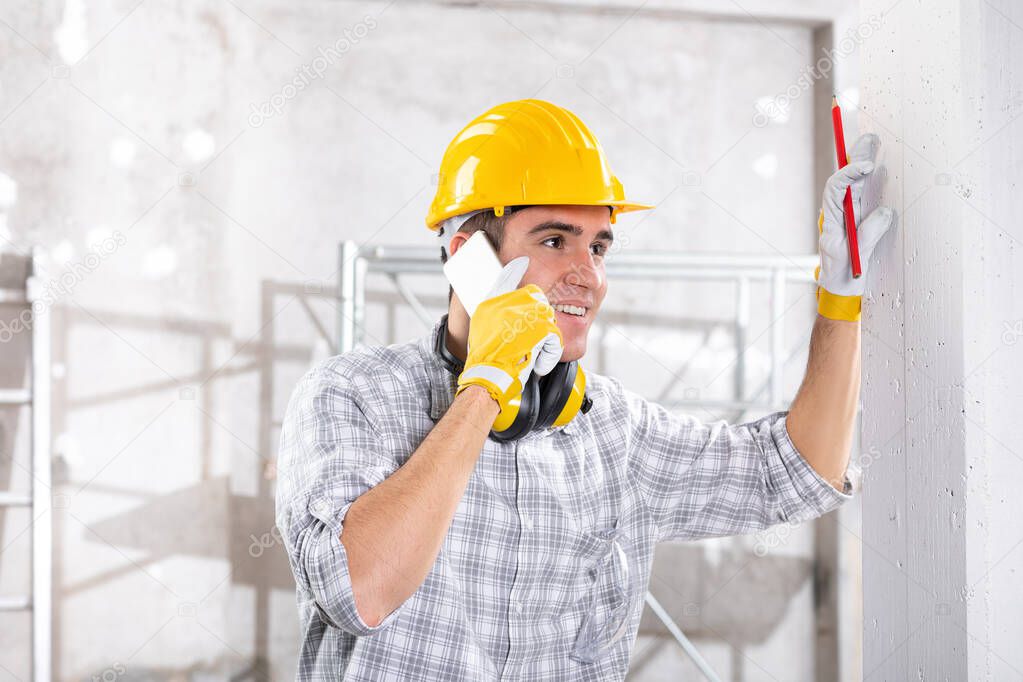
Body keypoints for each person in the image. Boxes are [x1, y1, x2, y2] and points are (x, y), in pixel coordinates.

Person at [275, 99, 895, 680]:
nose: (589, 276)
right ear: (468, 258)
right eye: (554, 241)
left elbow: (796, 472)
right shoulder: (352, 396)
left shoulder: (612, 428)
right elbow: (362, 592)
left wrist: (839, 302)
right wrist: (486, 387)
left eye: (599, 246)